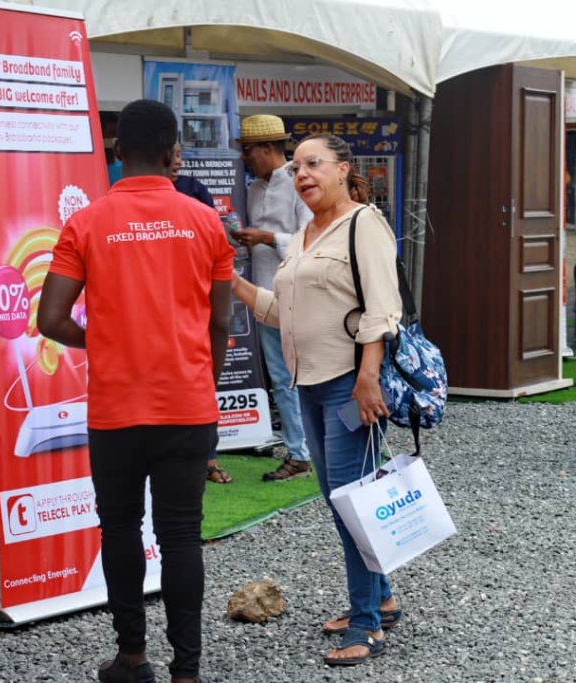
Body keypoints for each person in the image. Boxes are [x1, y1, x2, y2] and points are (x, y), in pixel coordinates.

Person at [37, 99, 233, 683]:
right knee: (181, 535)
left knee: (120, 529)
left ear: (117, 152)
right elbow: (221, 321)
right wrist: (204, 384)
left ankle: (131, 658)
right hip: (188, 404)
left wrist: (105, 342)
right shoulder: (206, 221)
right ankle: (186, 672)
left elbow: (51, 319)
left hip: (116, 409)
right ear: (175, 154)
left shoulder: (86, 223)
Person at [229, 134, 402, 666]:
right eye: (297, 167)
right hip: (310, 385)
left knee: (351, 503)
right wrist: (230, 282)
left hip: (350, 387)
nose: (302, 174)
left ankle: (367, 625)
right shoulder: (304, 234)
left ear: (342, 169)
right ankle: (382, 598)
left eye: (314, 164)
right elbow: (282, 312)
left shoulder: (363, 223)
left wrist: (368, 377)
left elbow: (383, 309)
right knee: (340, 499)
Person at [231, 115, 313, 481]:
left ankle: (310, 450)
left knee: (308, 375)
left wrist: (266, 238)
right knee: (281, 377)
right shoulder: (253, 190)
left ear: (267, 149)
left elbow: (311, 240)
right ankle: (300, 452)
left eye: (248, 150)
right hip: (263, 295)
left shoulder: (299, 183)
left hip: (299, 295)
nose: (245, 157)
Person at [170, 142, 232, 486]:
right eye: (172, 154)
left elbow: (216, 247)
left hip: (196, 305)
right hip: (162, 312)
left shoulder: (194, 190)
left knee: (201, 389)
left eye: (181, 154)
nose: (177, 161)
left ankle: (209, 457)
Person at [170, 143, 215, 209]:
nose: (178, 161)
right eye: (171, 156)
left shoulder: (192, 186)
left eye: (178, 155)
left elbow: (211, 212)